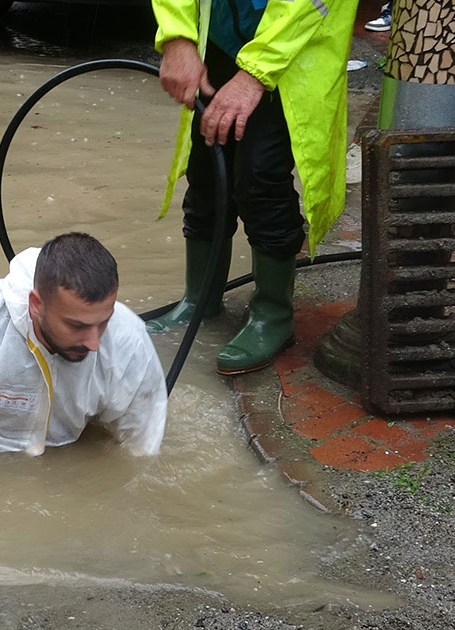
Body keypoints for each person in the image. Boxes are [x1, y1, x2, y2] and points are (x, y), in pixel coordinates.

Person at [148, 0, 356, 375]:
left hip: (296, 41)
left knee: (260, 177)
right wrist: (177, 36)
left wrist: (254, 74)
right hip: (222, 36)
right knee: (207, 170)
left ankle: (272, 313)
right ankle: (200, 299)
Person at [0, 233, 167, 484]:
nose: (94, 342)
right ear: (36, 305)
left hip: (72, 451)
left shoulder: (127, 337)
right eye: (77, 326)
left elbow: (141, 444)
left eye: (103, 322)